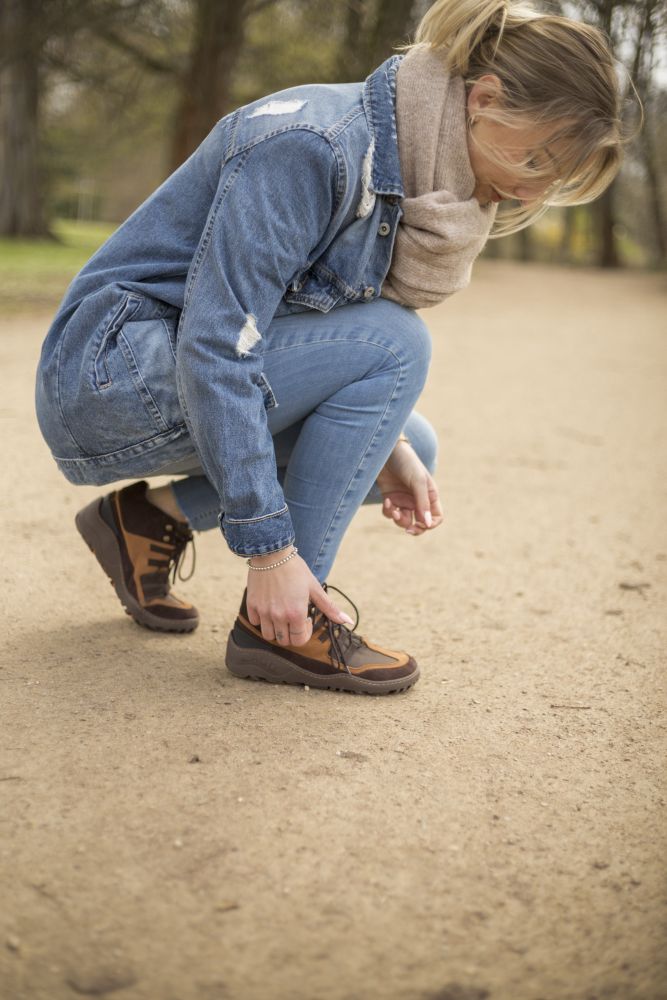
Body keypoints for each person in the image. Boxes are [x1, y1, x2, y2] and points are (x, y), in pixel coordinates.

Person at [35, 0, 625, 695]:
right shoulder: (314, 144)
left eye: (553, 177)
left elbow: (300, 327)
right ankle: (282, 625)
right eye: (535, 158)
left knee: (410, 447)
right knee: (395, 343)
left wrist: (389, 442)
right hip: (109, 374)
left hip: (163, 371)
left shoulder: (408, 164)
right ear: (484, 99)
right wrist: (269, 552)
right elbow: (219, 346)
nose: (533, 187)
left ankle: (143, 520)